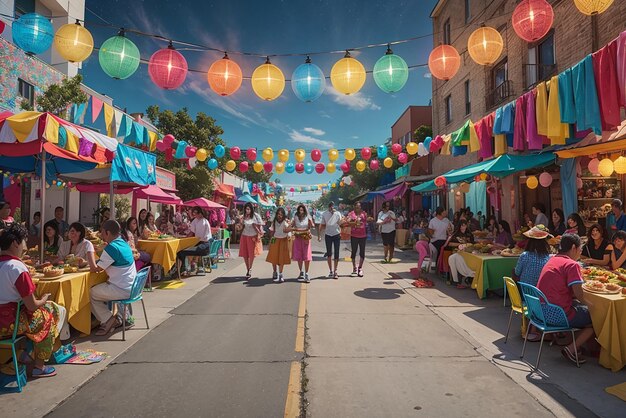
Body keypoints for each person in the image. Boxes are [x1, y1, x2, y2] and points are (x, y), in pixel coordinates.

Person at [537, 234, 595, 365]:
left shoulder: (552, 260)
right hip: (558, 314)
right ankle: (572, 348)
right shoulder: (571, 264)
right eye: (580, 249)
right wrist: (592, 306)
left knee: (582, 309)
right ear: (574, 247)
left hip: (541, 310)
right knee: (596, 316)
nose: (580, 252)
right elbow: (579, 294)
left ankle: (573, 342)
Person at [90, 220, 137, 336]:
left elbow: (96, 269)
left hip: (121, 289)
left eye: (102, 232)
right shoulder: (123, 243)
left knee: (91, 292)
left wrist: (90, 252)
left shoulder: (111, 248)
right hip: (133, 287)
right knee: (99, 290)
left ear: (108, 232)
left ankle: (108, 319)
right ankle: (111, 318)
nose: (101, 235)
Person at [177, 206, 213, 276]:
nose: (194, 215)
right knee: (182, 251)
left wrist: (186, 238)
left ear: (200, 213)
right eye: (194, 213)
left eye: (196, 213)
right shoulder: (196, 220)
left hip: (204, 245)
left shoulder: (203, 222)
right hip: (200, 243)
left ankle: (184, 268)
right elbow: (192, 232)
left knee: (182, 252)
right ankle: (185, 267)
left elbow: (196, 235)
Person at [445, 220, 475, 288]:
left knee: (455, 258)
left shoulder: (469, 234)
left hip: (467, 253)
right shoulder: (456, 234)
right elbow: (449, 243)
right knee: (453, 258)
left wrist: (466, 245)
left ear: (466, 226)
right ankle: (456, 281)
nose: (462, 227)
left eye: (464, 225)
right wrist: (460, 244)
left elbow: (473, 244)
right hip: (457, 252)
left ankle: (467, 277)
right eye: (461, 225)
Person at [239, 202, 264, 280]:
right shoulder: (243, 217)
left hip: (252, 237)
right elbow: (240, 226)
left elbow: (260, 227)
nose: (247, 210)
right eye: (246, 209)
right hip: (244, 236)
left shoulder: (256, 216)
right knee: (245, 254)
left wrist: (259, 235)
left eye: (249, 209)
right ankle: (248, 269)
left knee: (251, 254)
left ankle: (250, 268)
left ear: (252, 209)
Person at [318, 201, 343, 279]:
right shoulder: (325, 214)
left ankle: (335, 270)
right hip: (328, 235)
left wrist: (341, 232)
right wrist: (319, 235)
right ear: (328, 207)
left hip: (336, 234)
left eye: (333, 206)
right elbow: (322, 224)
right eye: (330, 206)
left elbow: (341, 223)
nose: (331, 208)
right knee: (329, 253)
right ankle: (330, 271)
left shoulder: (337, 213)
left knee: (336, 253)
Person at [266, 208, 291, 283]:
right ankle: (274, 272)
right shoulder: (274, 222)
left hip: (283, 240)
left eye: (281, 214)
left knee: (281, 258)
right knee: (274, 257)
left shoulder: (285, 222)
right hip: (275, 240)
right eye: (278, 214)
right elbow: (272, 232)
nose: (279, 216)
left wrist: (289, 234)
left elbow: (288, 230)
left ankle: (281, 274)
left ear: (283, 215)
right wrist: (270, 242)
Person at [292, 205, 314, 283]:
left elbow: (312, 225)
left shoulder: (307, 216)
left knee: (306, 255)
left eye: (302, 210)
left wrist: (310, 223)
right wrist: (293, 230)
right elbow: (292, 225)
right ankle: (301, 271)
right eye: (299, 210)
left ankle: (307, 273)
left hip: (305, 237)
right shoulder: (295, 216)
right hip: (298, 237)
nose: (301, 212)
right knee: (299, 255)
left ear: (305, 211)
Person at [345, 202, 368, 277]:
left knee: (362, 252)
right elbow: (347, 222)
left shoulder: (364, 213)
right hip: (354, 235)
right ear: (354, 207)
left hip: (362, 235)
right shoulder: (351, 214)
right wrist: (354, 222)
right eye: (357, 207)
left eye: (359, 207)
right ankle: (354, 268)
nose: (358, 208)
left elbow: (366, 221)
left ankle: (360, 268)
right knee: (354, 252)